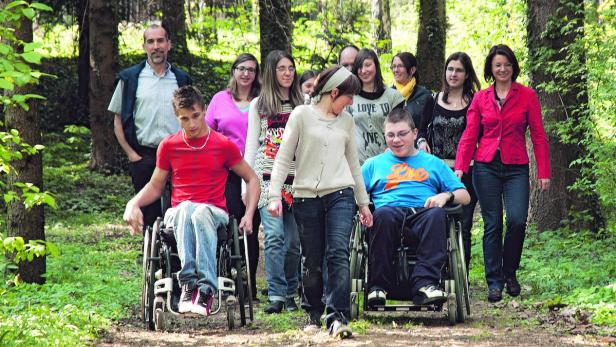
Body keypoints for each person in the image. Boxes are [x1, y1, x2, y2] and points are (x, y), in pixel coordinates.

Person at [123, 86, 260, 315]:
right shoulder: (169, 145)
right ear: (177, 118)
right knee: (188, 208)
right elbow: (156, 186)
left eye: (195, 116)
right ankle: (189, 285)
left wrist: (248, 214)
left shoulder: (223, 144)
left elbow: (252, 179)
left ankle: (205, 289)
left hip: (214, 212)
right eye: (184, 119)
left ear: (204, 110)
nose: (192, 124)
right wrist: (133, 203)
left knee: (198, 212)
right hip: (179, 213)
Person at [267, 66, 373, 338]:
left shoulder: (346, 121)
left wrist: (363, 204)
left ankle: (338, 316)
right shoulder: (301, 115)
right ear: (333, 92)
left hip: (340, 194)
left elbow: (353, 163)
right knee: (312, 261)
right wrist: (274, 194)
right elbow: (283, 157)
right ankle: (314, 311)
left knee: (338, 252)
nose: (351, 102)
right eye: (348, 97)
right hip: (306, 197)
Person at [454, 44, 551, 302]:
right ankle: (494, 281)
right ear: (491, 69)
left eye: (507, 64)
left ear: (513, 67)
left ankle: (510, 273)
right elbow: (469, 135)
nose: (503, 69)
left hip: (516, 166)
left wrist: (544, 172)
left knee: (517, 220)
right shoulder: (480, 98)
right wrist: (460, 166)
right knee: (493, 224)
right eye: (498, 65)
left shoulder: (527, 95)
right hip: (485, 165)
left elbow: (539, 136)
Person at [362, 108, 470, 307]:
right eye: (391, 135)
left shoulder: (433, 163)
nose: (396, 140)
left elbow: (465, 196)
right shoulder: (373, 164)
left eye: (402, 134)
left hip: (423, 213)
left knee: (437, 214)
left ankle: (426, 285)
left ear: (414, 133)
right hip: (388, 214)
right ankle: (378, 287)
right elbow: (355, 192)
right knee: (382, 214)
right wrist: (363, 207)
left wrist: (445, 195)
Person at [109, 24, 192, 230]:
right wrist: (131, 154)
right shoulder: (130, 79)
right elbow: (118, 119)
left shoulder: (181, 79)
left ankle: (176, 258)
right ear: (144, 46)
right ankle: (152, 259)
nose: (156, 46)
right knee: (148, 217)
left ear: (169, 44)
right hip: (144, 156)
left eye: (161, 41)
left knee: (179, 212)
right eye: (151, 42)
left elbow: (193, 118)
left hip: (177, 155)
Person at [244, 50, 303, 314]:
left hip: (296, 176)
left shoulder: (304, 102)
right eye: (282, 68)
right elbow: (250, 144)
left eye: (291, 68)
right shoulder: (259, 104)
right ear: (271, 72)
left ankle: (292, 292)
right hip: (266, 177)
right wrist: (247, 184)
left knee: (293, 242)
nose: (288, 73)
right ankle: (277, 295)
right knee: (275, 237)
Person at [205, 53, 262, 302]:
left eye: (251, 69)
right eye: (241, 68)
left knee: (251, 225)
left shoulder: (262, 101)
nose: (246, 74)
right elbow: (207, 132)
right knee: (229, 222)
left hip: (254, 169)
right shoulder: (220, 99)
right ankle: (225, 277)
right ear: (233, 71)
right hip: (226, 170)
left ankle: (248, 285)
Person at [418, 52, 481, 271]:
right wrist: (421, 142)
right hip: (436, 170)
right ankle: (438, 270)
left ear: (467, 74)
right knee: (436, 219)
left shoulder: (475, 102)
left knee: (463, 223)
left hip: (468, 171)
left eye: (459, 70)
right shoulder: (432, 100)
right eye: (450, 69)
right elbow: (419, 131)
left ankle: (461, 272)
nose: (454, 74)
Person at [348, 48, 405, 164]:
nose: (363, 70)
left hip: (387, 160)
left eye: (367, 65)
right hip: (357, 163)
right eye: (359, 67)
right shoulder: (349, 97)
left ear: (376, 66)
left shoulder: (393, 97)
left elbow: (400, 128)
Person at [391, 52, 431, 128]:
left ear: (412, 70)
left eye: (400, 66)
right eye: (394, 66)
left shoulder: (425, 96)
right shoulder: (387, 94)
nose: (396, 70)